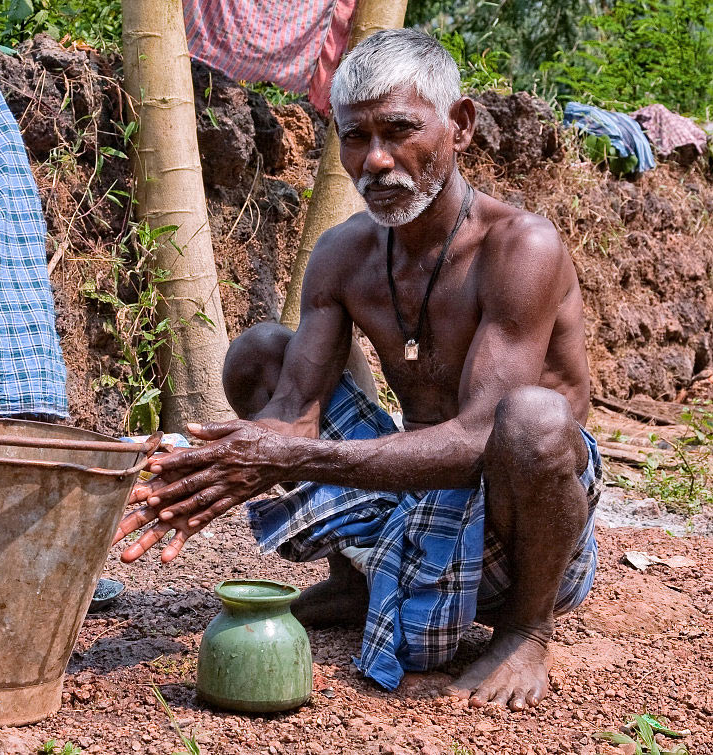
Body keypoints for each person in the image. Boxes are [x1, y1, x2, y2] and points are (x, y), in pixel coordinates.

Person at [112, 28, 602, 713]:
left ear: (459, 127)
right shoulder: (344, 253)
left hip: (519, 522)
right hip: (410, 487)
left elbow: (474, 442)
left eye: (398, 130)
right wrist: (212, 465)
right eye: (354, 136)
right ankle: (356, 576)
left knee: (534, 419)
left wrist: (294, 450)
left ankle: (526, 628)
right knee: (259, 352)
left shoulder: (521, 247)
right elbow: (291, 411)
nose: (375, 160)